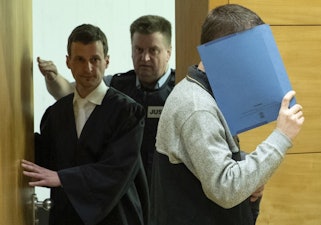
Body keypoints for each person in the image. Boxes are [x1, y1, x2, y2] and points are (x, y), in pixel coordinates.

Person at [150, 4, 305, 225]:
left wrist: (251, 177)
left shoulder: (203, 94)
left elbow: (209, 163)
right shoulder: (197, 106)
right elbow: (225, 188)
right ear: (226, 52)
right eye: (249, 53)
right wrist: (281, 137)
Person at [21, 24, 149, 225]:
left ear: (107, 61)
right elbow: (46, 158)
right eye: (80, 60)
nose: (88, 68)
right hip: (66, 217)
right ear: (68, 62)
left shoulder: (128, 112)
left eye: (95, 59)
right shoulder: (56, 113)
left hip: (117, 217)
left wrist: (63, 179)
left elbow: (117, 169)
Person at [37, 15, 175, 186]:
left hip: (165, 190)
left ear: (168, 52)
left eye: (153, 50)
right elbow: (71, 93)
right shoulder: (116, 85)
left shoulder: (180, 92)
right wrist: (53, 78)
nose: (145, 58)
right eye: (139, 50)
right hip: (121, 188)